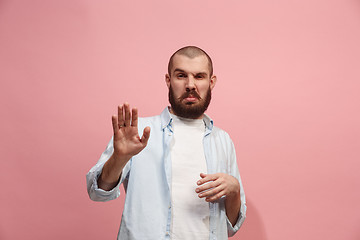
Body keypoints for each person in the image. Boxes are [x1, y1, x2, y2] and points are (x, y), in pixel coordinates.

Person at [86, 46, 246, 240]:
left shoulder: (222, 140)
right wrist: (119, 158)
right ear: (168, 80)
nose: (190, 85)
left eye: (199, 76)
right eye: (181, 75)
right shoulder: (138, 132)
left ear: (211, 82)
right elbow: (97, 192)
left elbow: (231, 227)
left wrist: (234, 190)